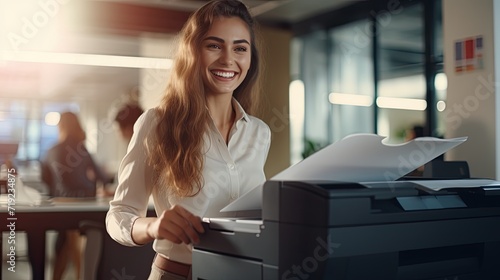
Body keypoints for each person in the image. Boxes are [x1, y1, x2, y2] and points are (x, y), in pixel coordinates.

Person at [105, 1, 271, 279]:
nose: (228, 59)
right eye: (214, 46)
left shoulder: (259, 133)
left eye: (240, 48)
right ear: (193, 52)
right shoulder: (156, 124)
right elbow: (118, 215)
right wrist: (153, 226)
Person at [41, 111, 110, 280]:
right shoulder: (82, 148)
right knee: (68, 241)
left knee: (64, 242)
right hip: (87, 205)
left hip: (62, 206)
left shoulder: (51, 151)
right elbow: (102, 177)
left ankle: (65, 276)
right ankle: (79, 274)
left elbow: (45, 182)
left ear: (61, 126)